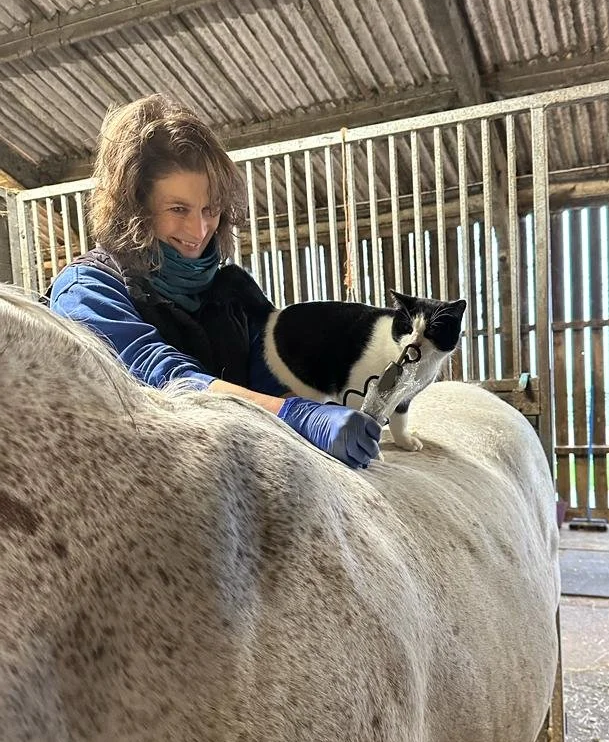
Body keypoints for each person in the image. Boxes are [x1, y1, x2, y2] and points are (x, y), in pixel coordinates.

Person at [49, 94, 381, 469]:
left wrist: (322, 408)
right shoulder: (88, 289)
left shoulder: (231, 291)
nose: (199, 229)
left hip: (235, 480)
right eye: (178, 209)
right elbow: (162, 378)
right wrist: (297, 418)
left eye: (210, 209)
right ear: (135, 209)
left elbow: (272, 374)